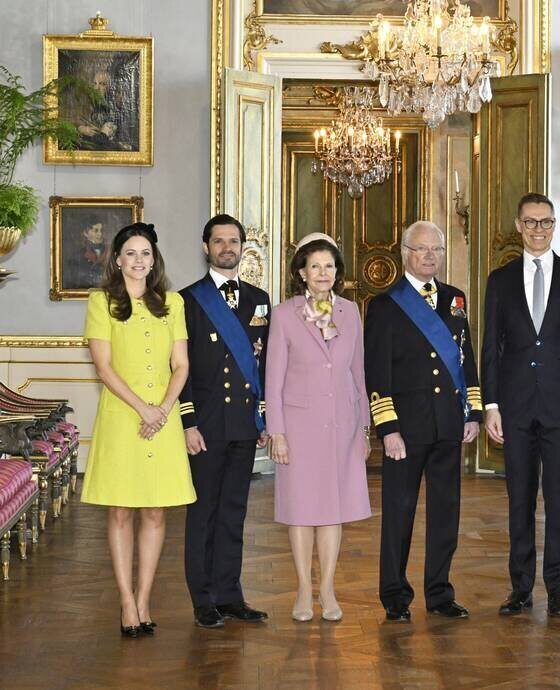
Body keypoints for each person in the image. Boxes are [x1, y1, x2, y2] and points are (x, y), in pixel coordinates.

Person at [482, 192, 560, 618]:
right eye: (530, 222)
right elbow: (490, 349)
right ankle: (519, 589)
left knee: (559, 499)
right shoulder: (499, 280)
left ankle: (558, 590)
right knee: (519, 499)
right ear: (518, 226)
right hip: (514, 406)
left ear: (555, 226)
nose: (538, 229)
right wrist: (490, 405)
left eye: (546, 222)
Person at [364, 220, 482, 622]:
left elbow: (466, 359)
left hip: (449, 423)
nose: (431, 256)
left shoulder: (455, 299)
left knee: (446, 512)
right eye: (422, 249)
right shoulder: (385, 305)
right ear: (405, 253)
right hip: (406, 429)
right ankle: (395, 596)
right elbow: (376, 373)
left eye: (437, 249)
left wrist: (474, 411)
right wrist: (388, 428)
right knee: (399, 512)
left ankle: (440, 592)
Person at [82, 222, 196, 637]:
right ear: (116, 259)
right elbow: (104, 366)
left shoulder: (173, 302)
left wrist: (162, 409)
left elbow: (181, 364)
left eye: (145, 253)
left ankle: (145, 598)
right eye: (130, 253)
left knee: (154, 510)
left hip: (162, 420)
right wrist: (142, 410)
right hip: (122, 418)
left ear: (154, 259)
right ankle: (126, 601)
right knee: (120, 510)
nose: (138, 260)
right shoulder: (101, 302)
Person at [265, 233, 371, 622]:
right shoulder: (283, 314)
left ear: (336, 272)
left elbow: (358, 371)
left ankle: (327, 587)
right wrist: (276, 431)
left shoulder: (351, 311)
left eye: (329, 266)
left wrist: (364, 428)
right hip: (298, 426)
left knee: (333, 510)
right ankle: (302, 589)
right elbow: (272, 378)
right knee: (301, 510)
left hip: (342, 424)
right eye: (315, 266)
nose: (323, 273)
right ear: (301, 273)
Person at [179, 214, 271, 629]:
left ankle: (231, 595)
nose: (227, 248)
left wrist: (265, 417)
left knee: (235, 511)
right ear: (206, 247)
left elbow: (266, 364)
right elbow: (178, 370)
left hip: (243, 423)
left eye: (233, 241)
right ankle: (203, 599)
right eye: (219, 241)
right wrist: (188, 423)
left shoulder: (260, 298)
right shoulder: (188, 300)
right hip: (207, 424)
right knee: (203, 513)